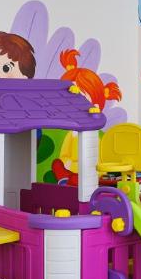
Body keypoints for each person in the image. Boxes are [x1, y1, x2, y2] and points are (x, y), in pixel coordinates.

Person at [52, 48, 122, 185]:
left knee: (82, 176)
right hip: (70, 168)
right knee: (57, 164)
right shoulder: (72, 134)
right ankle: (66, 179)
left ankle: (71, 180)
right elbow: (64, 154)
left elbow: (98, 158)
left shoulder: (95, 133)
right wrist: (67, 162)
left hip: (87, 170)